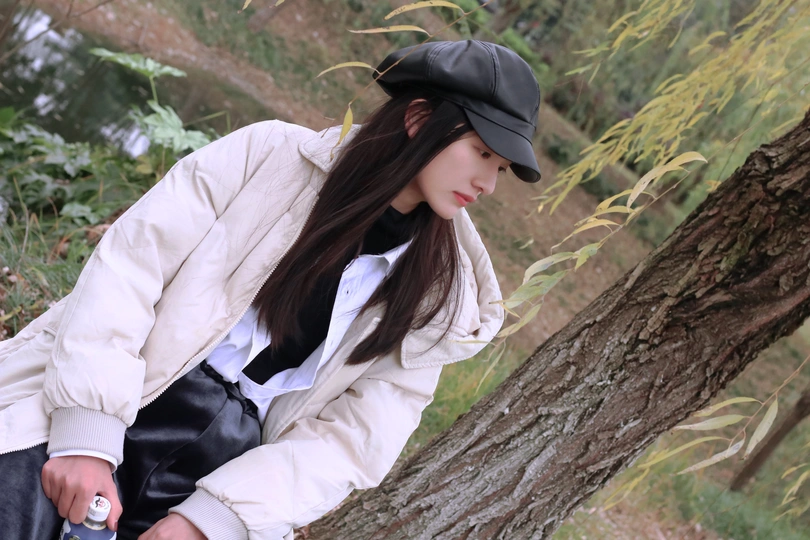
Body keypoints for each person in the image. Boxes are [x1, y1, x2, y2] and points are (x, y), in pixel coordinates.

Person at [0, 39, 541, 539]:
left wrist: (213, 519)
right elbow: (130, 270)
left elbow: (353, 440)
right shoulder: (271, 158)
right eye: (481, 152)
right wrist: (87, 434)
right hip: (126, 386)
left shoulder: (440, 300)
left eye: (500, 167)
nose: (488, 184)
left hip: (229, 471)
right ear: (419, 119)